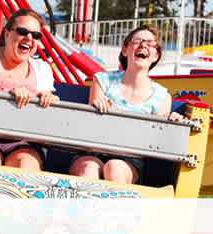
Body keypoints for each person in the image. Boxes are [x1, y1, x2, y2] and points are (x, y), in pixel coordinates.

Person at [69, 25, 182, 184]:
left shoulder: (162, 97)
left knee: (115, 169)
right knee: (88, 170)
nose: (143, 45)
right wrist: (97, 105)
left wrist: (172, 123)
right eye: (138, 41)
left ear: (155, 55)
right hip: (93, 152)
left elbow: (156, 137)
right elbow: (93, 124)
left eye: (150, 43)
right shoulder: (103, 81)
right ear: (124, 50)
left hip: (129, 159)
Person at [0, 9, 59, 171]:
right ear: (7, 34)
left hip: (24, 141)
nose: (29, 38)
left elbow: (48, 118)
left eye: (35, 35)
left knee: (26, 166)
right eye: (22, 31)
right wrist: (8, 96)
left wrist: (48, 100)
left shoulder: (43, 69)